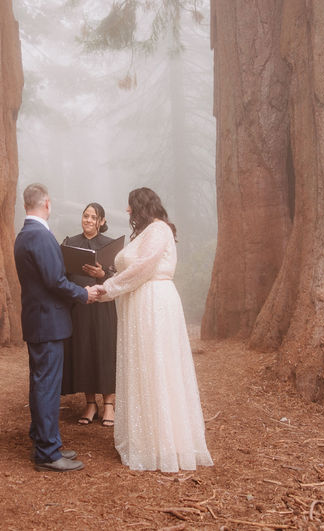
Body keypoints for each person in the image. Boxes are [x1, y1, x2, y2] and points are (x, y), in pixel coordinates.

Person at [91, 187, 213, 472]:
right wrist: (108, 282)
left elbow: (143, 267)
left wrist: (106, 288)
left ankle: (164, 443)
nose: (128, 211)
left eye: (131, 206)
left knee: (158, 365)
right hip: (139, 303)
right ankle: (146, 437)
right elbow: (132, 269)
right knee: (144, 366)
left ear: (142, 207)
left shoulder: (159, 230)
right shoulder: (146, 233)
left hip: (154, 303)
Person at [14, 183, 99, 472]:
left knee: (41, 384)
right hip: (47, 322)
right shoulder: (39, 235)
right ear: (47, 204)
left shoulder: (25, 234)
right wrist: (83, 294)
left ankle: (44, 442)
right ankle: (48, 453)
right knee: (46, 387)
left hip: (40, 320)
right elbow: (55, 281)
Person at [61, 203, 118, 427]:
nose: (88, 220)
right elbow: (63, 275)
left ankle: (109, 406)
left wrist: (102, 274)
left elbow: (119, 277)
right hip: (81, 305)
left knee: (104, 350)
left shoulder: (111, 245)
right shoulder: (71, 243)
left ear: (101, 222)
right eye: (86, 216)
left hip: (103, 305)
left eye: (94, 217)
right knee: (84, 351)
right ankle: (90, 403)